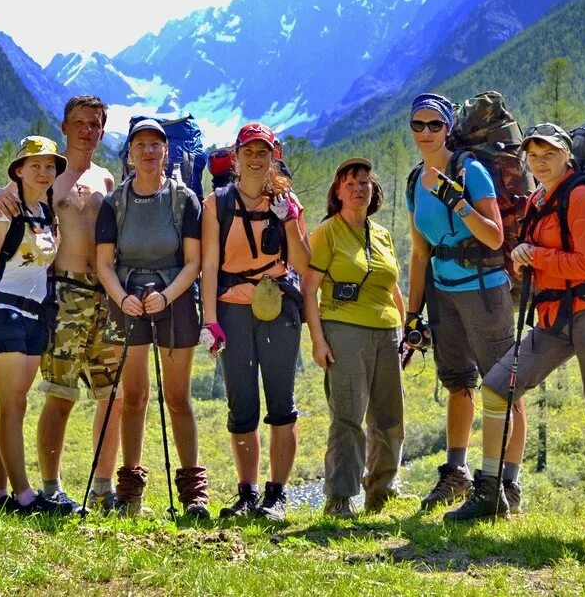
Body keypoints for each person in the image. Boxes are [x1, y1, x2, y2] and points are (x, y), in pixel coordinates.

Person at [447, 123, 585, 542]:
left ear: (566, 154)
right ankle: (491, 491)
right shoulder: (537, 200)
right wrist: (521, 257)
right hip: (556, 316)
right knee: (497, 387)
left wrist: (538, 256)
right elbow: (537, 261)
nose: (540, 160)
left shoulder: (581, 195)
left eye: (549, 152)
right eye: (533, 154)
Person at [0, 95, 120, 513]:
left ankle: (103, 486)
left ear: (102, 129)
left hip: (103, 293)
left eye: (94, 124)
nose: (86, 130)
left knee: (110, 393)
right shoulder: (50, 174)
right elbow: (5, 197)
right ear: (64, 127)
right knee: (60, 394)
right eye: (79, 122)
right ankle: (51, 486)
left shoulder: (107, 180)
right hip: (63, 293)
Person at [404, 93, 527, 512]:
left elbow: (493, 235)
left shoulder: (470, 170)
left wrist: (456, 199)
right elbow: (421, 253)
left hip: (484, 288)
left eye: (433, 125)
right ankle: (456, 474)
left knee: (503, 386)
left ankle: (507, 484)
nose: (425, 133)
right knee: (459, 383)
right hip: (443, 294)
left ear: (446, 128)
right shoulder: (413, 181)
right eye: (417, 125)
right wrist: (411, 313)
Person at [94, 119, 208, 517]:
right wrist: (122, 298)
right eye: (140, 145)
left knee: (177, 398)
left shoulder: (183, 201)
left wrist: (166, 295)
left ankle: (194, 493)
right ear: (130, 154)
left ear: (166, 153)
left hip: (173, 302)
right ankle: (130, 492)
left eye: (155, 145)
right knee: (135, 397)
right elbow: (104, 263)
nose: (148, 151)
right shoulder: (115, 203)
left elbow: (193, 262)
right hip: (127, 303)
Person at [200, 122, 310, 521]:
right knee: (241, 404)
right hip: (231, 308)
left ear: (273, 154)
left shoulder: (286, 200)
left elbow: (301, 262)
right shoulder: (217, 203)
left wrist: (291, 220)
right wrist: (209, 320)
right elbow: (209, 263)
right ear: (237, 154)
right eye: (249, 150)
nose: (256, 157)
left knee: (282, 403)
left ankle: (276, 495)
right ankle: (246, 494)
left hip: (278, 306)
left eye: (263, 151)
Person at [0, 136, 68, 514]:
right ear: (19, 170)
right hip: (3, 314)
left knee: (9, 406)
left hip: (34, 316)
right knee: (14, 404)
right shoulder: (3, 212)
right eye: (35, 165)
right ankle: (24, 496)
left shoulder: (47, 212)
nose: (43, 172)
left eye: (49, 166)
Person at [303, 158, 405, 518]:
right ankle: (340, 498)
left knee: (390, 418)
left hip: (387, 332)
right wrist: (318, 340)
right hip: (344, 330)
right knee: (348, 416)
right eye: (350, 183)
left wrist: (403, 330)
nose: (358, 188)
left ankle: (382, 490)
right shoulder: (327, 232)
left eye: (364, 182)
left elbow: (392, 287)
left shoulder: (382, 234)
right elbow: (309, 290)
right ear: (338, 192)